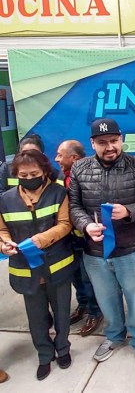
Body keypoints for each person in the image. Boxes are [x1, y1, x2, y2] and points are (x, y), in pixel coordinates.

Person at [69, 118, 135, 371]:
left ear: (121, 139)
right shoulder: (79, 169)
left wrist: (128, 211)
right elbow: (74, 206)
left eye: (114, 141)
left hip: (133, 250)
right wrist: (86, 225)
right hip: (95, 252)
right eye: (102, 142)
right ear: (92, 143)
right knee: (106, 300)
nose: (109, 147)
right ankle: (115, 335)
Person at [0, 150, 75, 381]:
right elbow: (2, 230)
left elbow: (65, 224)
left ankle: (63, 349)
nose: (29, 178)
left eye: (34, 174)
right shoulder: (5, 199)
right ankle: (44, 355)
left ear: (44, 171)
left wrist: (42, 239)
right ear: (16, 175)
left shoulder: (58, 193)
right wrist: (4, 245)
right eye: (23, 175)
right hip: (25, 269)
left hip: (57, 264)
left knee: (62, 313)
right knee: (36, 317)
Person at [55, 140, 103, 336]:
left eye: (60, 155)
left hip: (87, 239)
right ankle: (82, 305)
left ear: (74, 158)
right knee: (75, 276)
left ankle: (95, 312)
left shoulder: (91, 175)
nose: (56, 159)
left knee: (87, 277)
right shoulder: (60, 178)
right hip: (68, 239)